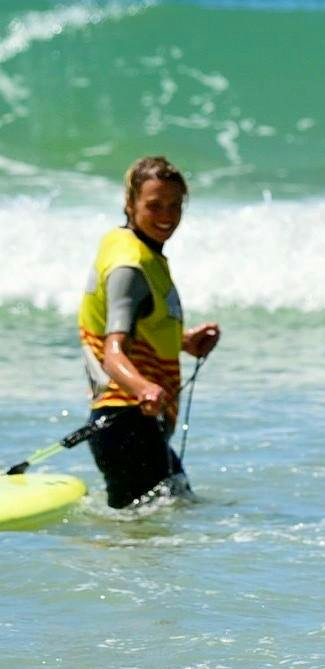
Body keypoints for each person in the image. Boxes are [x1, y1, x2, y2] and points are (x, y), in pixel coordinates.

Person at [78, 156, 221, 508]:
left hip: (136, 428)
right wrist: (144, 387)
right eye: (154, 206)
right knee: (145, 545)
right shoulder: (130, 266)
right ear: (130, 204)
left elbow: (138, 330)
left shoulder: (136, 248)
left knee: (170, 526)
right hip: (126, 426)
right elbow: (114, 353)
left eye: (175, 205)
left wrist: (184, 342)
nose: (167, 216)